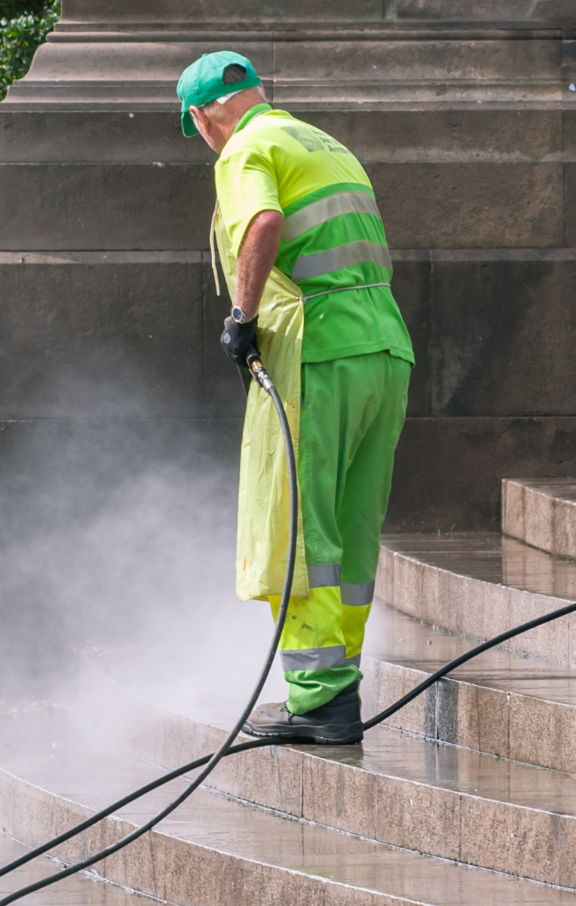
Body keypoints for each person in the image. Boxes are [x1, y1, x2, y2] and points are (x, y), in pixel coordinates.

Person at [177, 51, 414, 744]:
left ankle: (317, 700)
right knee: (349, 532)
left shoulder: (245, 148)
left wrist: (240, 319)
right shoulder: (322, 142)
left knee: (301, 532)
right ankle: (336, 694)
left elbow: (261, 224)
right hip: (383, 347)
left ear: (203, 118)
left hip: (319, 353)